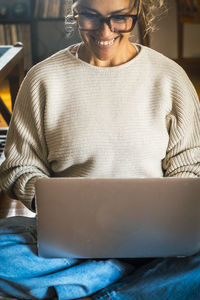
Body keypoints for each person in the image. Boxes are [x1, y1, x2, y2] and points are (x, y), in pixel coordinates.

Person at [0, 0, 200, 299]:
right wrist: (59, 208)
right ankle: (135, 281)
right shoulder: (42, 79)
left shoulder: (170, 78)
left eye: (119, 18)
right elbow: (19, 166)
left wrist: (165, 215)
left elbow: (190, 164)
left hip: (155, 238)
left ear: (138, 12)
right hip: (69, 242)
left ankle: (97, 286)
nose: (105, 31)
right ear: (75, 12)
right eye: (90, 17)